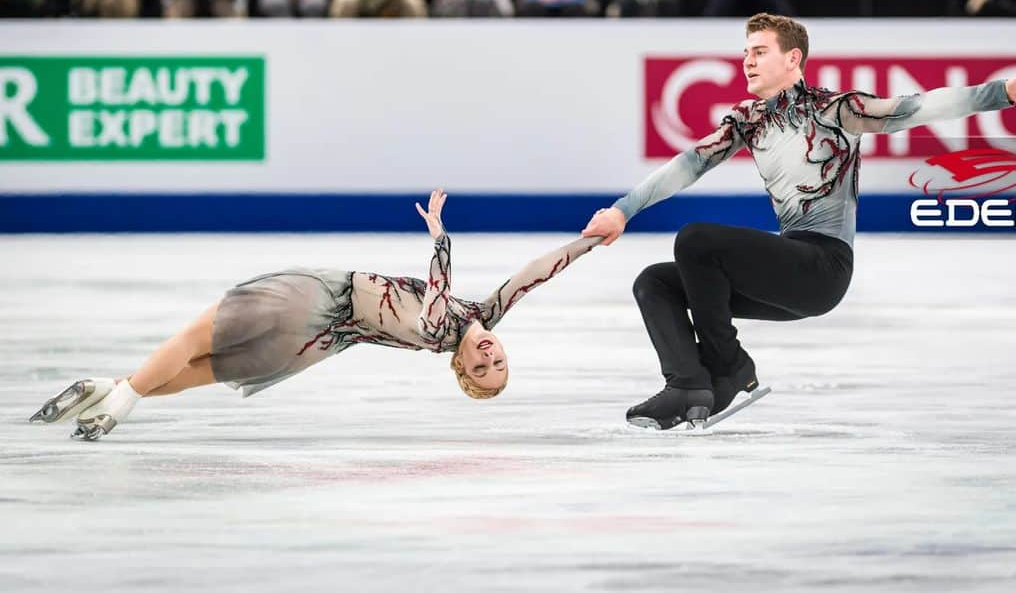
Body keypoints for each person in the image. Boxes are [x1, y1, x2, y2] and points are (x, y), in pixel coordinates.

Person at [581, 13, 1016, 430]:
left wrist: (999, 93)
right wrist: (624, 209)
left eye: (760, 51)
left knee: (696, 241)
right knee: (655, 283)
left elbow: (915, 108)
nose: (747, 61)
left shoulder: (837, 110)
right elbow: (689, 163)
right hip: (785, 271)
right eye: (745, 52)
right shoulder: (748, 119)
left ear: (793, 60)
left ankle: (729, 368)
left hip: (823, 268)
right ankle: (689, 384)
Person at [30, 190, 600, 441]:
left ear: (459, 369)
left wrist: (440, 238)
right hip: (324, 340)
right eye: (498, 362)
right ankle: (109, 390)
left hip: (320, 302)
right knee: (208, 367)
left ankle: (117, 405)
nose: (489, 355)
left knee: (201, 338)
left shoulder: (438, 331)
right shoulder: (487, 314)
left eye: (481, 369)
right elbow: (535, 272)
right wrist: (588, 241)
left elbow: (435, 294)